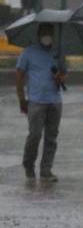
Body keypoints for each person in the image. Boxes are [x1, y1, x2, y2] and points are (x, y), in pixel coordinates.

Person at [15, 23, 66, 181]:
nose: (47, 36)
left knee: (51, 138)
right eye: (44, 33)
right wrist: (22, 98)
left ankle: (46, 170)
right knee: (35, 135)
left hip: (55, 101)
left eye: (49, 33)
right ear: (38, 35)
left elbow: (64, 75)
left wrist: (60, 78)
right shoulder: (28, 52)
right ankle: (29, 165)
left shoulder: (58, 53)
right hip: (36, 101)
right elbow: (19, 75)